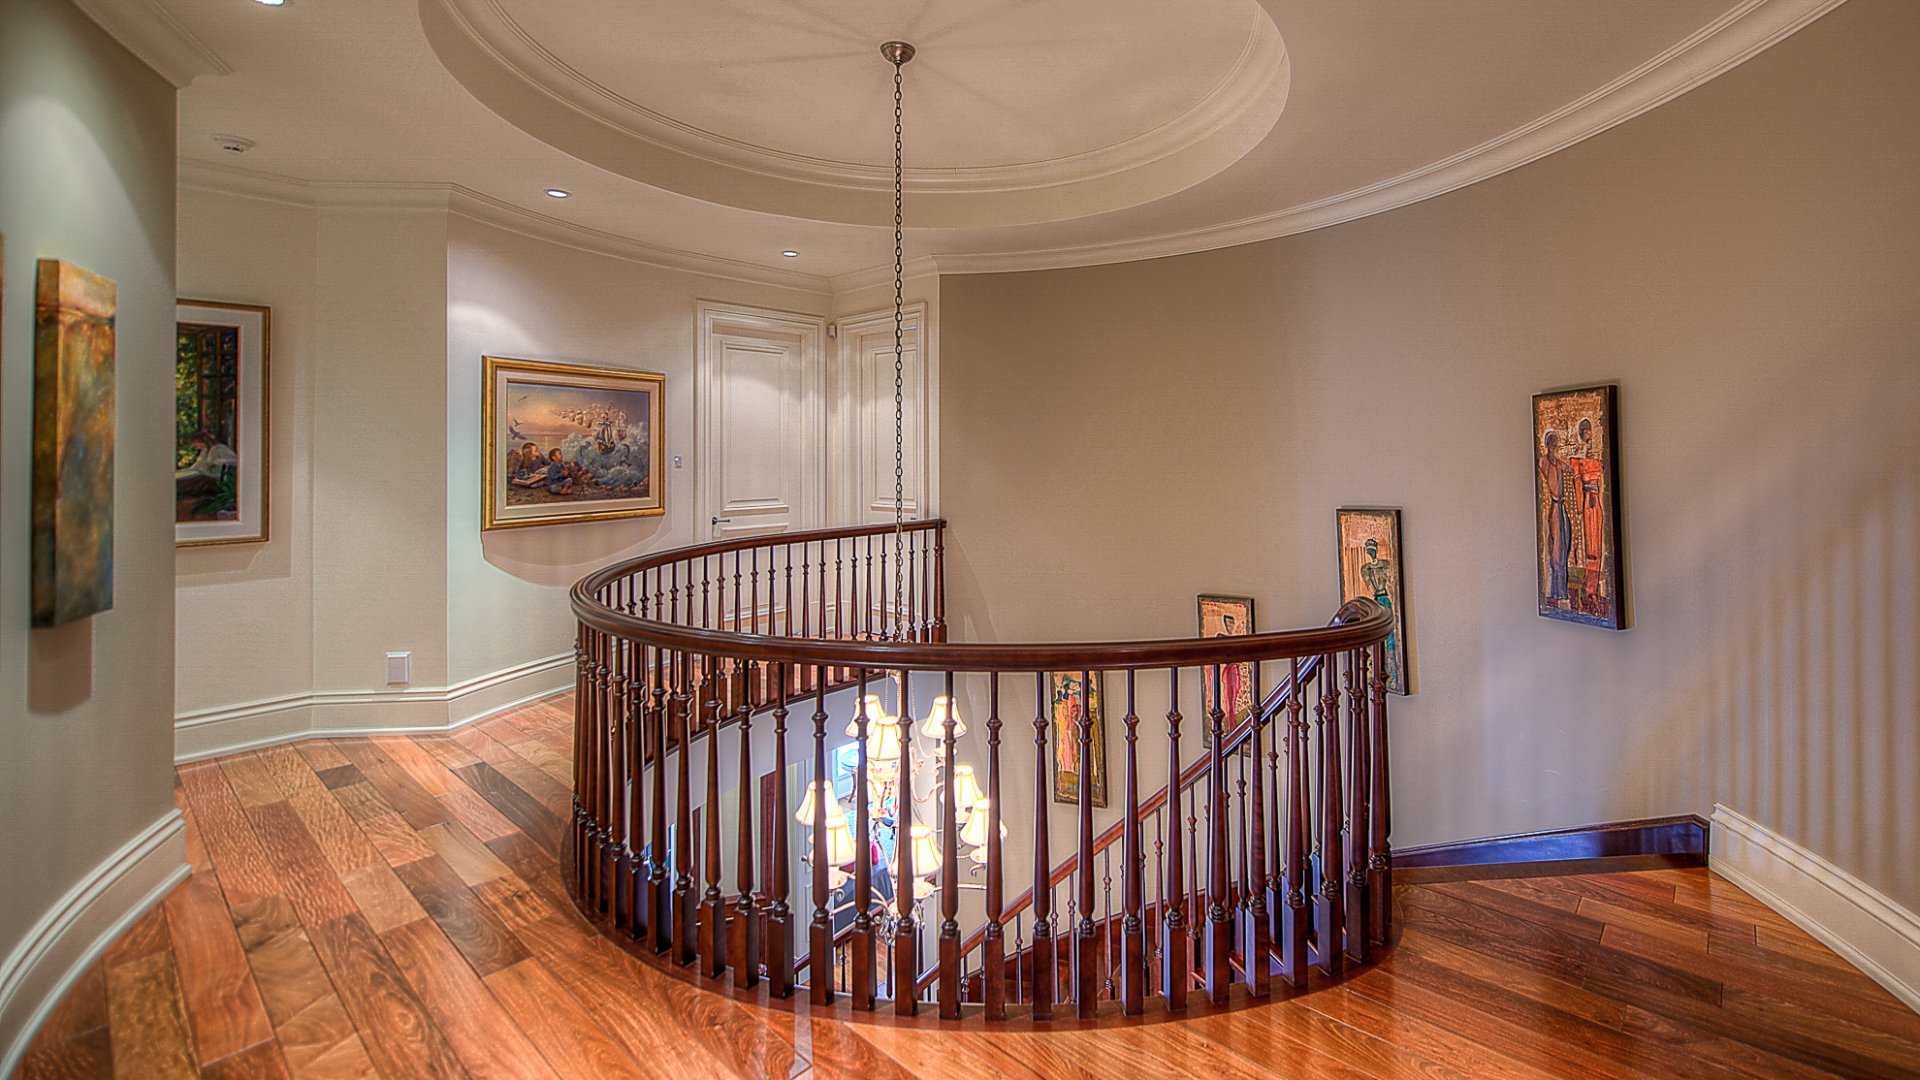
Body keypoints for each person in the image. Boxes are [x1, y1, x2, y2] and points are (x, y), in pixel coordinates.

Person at [1572, 417, 1607, 613]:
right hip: (1589, 500)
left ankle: (1593, 586)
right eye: (1586, 433)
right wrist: (1580, 504)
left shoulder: (1594, 455)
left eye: (1590, 432)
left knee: (1596, 542)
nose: (1589, 436)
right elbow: (1580, 481)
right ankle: (1590, 586)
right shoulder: (1581, 458)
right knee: (1591, 544)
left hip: (1595, 499)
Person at [1360, 538, 1399, 688]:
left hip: (1384, 599)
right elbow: (1370, 586)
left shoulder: (1385, 565)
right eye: (1368, 550)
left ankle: (1392, 674)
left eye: (1371, 550)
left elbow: (1390, 582)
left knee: (1390, 640)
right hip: (1376, 601)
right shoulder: (1366, 568)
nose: (1369, 552)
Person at [1538, 429, 1572, 605]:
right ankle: (1556, 591)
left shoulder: (1558, 463)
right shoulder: (1544, 462)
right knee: (1556, 549)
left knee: (1564, 547)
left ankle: (1562, 590)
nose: (1555, 447)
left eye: (1556, 445)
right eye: (1553, 444)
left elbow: (1570, 469)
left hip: (1561, 507)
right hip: (1554, 508)